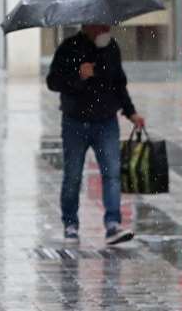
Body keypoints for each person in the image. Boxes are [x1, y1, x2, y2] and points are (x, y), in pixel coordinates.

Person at [46, 23, 142, 246]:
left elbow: (119, 84)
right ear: (88, 25)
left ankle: (112, 224)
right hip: (75, 122)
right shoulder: (69, 48)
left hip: (106, 121)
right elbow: (53, 82)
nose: (106, 29)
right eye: (101, 26)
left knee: (112, 174)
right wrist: (78, 75)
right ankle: (70, 224)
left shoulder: (111, 49)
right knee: (73, 175)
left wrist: (131, 112)